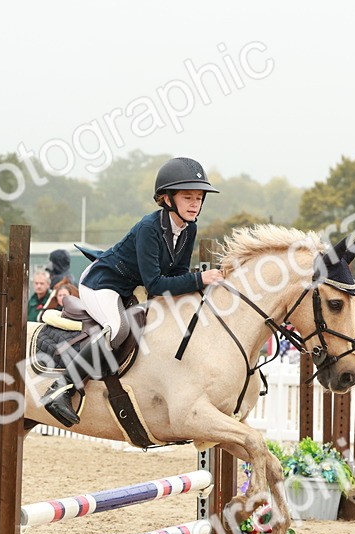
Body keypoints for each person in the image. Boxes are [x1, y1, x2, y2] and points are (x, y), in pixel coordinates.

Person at [39, 157, 225, 427]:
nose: (195, 204)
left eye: (198, 198)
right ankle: (62, 387)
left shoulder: (189, 229)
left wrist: (198, 285)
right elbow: (157, 285)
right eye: (188, 197)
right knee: (118, 328)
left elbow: (178, 274)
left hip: (127, 287)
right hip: (100, 283)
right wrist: (201, 278)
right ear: (166, 198)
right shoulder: (150, 228)